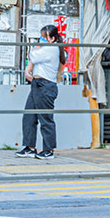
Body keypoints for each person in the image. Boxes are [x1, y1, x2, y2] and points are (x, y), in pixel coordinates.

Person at [18, 24, 66, 160]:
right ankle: (29, 147)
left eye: (44, 37)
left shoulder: (52, 49)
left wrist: (36, 48)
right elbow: (33, 60)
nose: (41, 39)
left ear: (52, 39)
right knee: (29, 116)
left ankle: (48, 150)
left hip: (45, 86)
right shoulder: (47, 49)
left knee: (46, 119)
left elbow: (33, 56)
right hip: (37, 84)